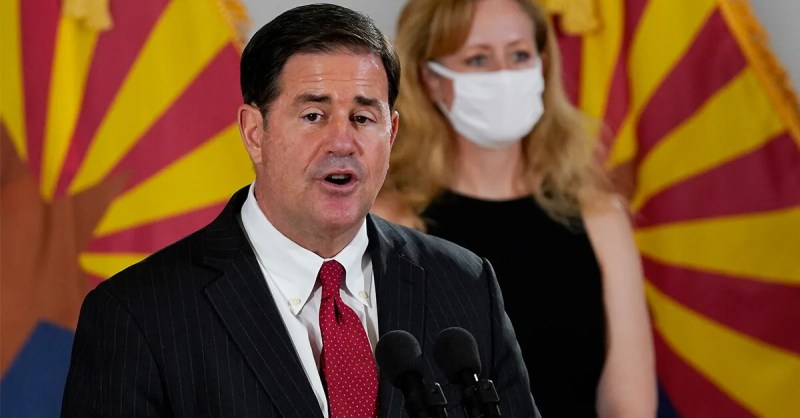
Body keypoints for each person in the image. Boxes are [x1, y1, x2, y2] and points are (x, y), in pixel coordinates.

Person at [60, 3, 540, 417]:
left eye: (363, 117)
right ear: (254, 132)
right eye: (313, 115)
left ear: (390, 134)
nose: (342, 142)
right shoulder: (138, 314)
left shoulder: (465, 283)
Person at [371, 0, 657, 416]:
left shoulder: (602, 218)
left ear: (543, 64)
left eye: (519, 55)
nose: (504, 74)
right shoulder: (385, 224)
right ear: (430, 79)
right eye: (478, 58)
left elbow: (629, 402)